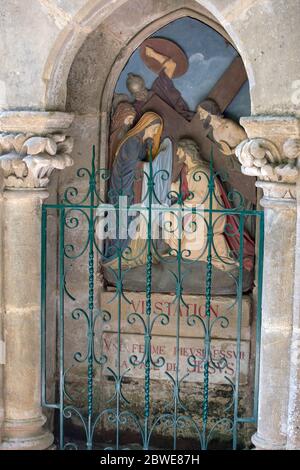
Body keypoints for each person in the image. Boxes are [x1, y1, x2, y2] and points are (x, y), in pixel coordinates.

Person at [163, 139, 246, 271]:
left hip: (208, 211)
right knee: (171, 212)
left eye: (179, 151)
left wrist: (182, 204)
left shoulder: (201, 172)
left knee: (172, 212)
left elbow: (200, 197)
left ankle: (178, 247)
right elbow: (182, 189)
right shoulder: (190, 171)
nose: (177, 155)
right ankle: (176, 247)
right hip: (197, 208)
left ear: (186, 152)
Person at [104, 112, 163, 263]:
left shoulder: (139, 142)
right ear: (146, 125)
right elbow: (130, 165)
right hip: (123, 184)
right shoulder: (133, 142)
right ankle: (116, 250)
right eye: (154, 128)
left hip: (129, 183)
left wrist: (148, 147)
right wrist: (146, 165)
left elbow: (139, 158)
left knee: (128, 216)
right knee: (123, 216)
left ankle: (120, 250)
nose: (155, 132)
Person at [109, 101, 137, 170]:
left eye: (132, 120)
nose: (131, 122)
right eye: (130, 119)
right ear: (122, 117)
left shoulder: (125, 130)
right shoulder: (119, 132)